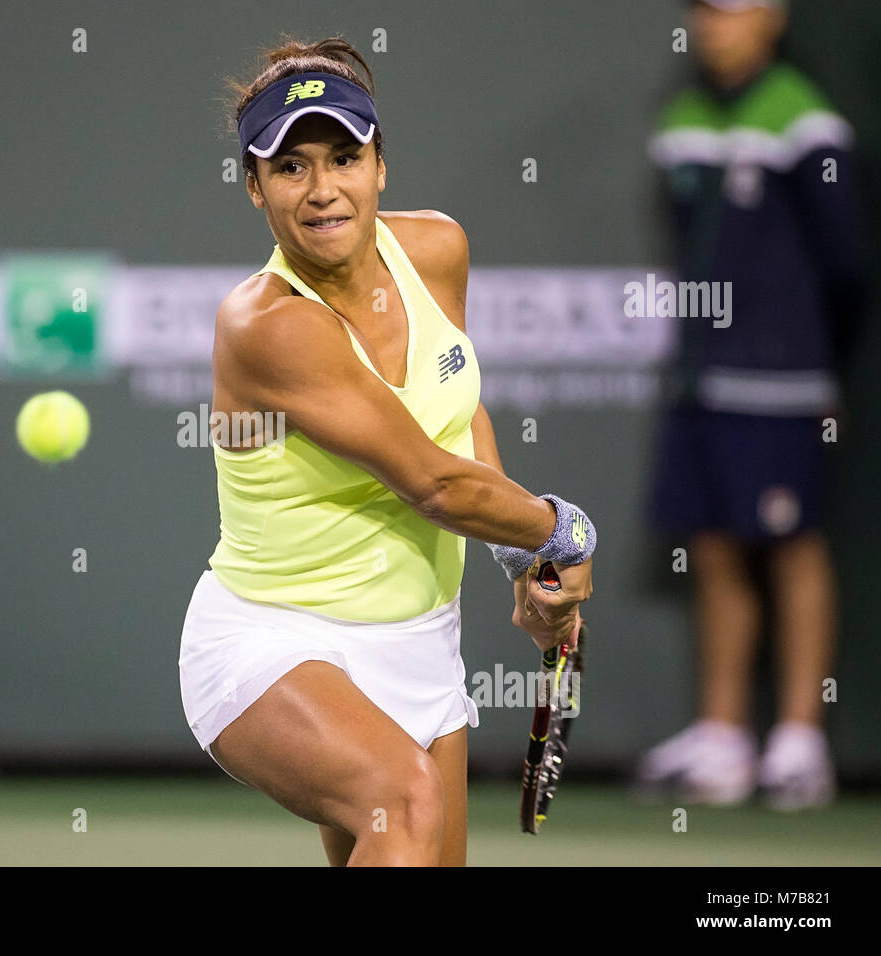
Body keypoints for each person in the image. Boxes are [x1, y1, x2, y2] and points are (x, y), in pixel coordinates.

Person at [177, 36, 597, 866]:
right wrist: (561, 531)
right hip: (276, 642)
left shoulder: (437, 250)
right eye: (290, 167)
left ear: (380, 166)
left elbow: (456, 420)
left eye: (343, 157)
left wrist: (518, 564)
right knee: (403, 803)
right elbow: (434, 483)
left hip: (419, 642)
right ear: (254, 188)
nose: (323, 189)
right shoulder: (267, 325)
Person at [638, 0, 864, 810]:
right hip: (699, 376)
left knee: (792, 542)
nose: (711, 25)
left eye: (728, 10)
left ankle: (800, 742)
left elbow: (845, 264)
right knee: (714, 544)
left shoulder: (805, 123)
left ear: (772, 17)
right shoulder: (685, 116)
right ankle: (725, 736)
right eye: (700, 12)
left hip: (782, 379)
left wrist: (802, 355)